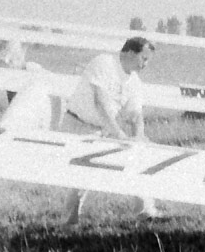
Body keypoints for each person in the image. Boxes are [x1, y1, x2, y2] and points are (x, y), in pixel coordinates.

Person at [57, 37, 164, 225]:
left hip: (103, 131)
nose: (145, 65)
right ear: (130, 53)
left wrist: (138, 136)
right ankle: (69, 223)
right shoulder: (105, 63)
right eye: (143, 59)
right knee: (81, 177)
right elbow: (101, 103)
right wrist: (120, 135)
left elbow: (136, 114)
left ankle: (146, 212)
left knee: (135, 159)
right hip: (77, 125)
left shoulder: (134, 82)